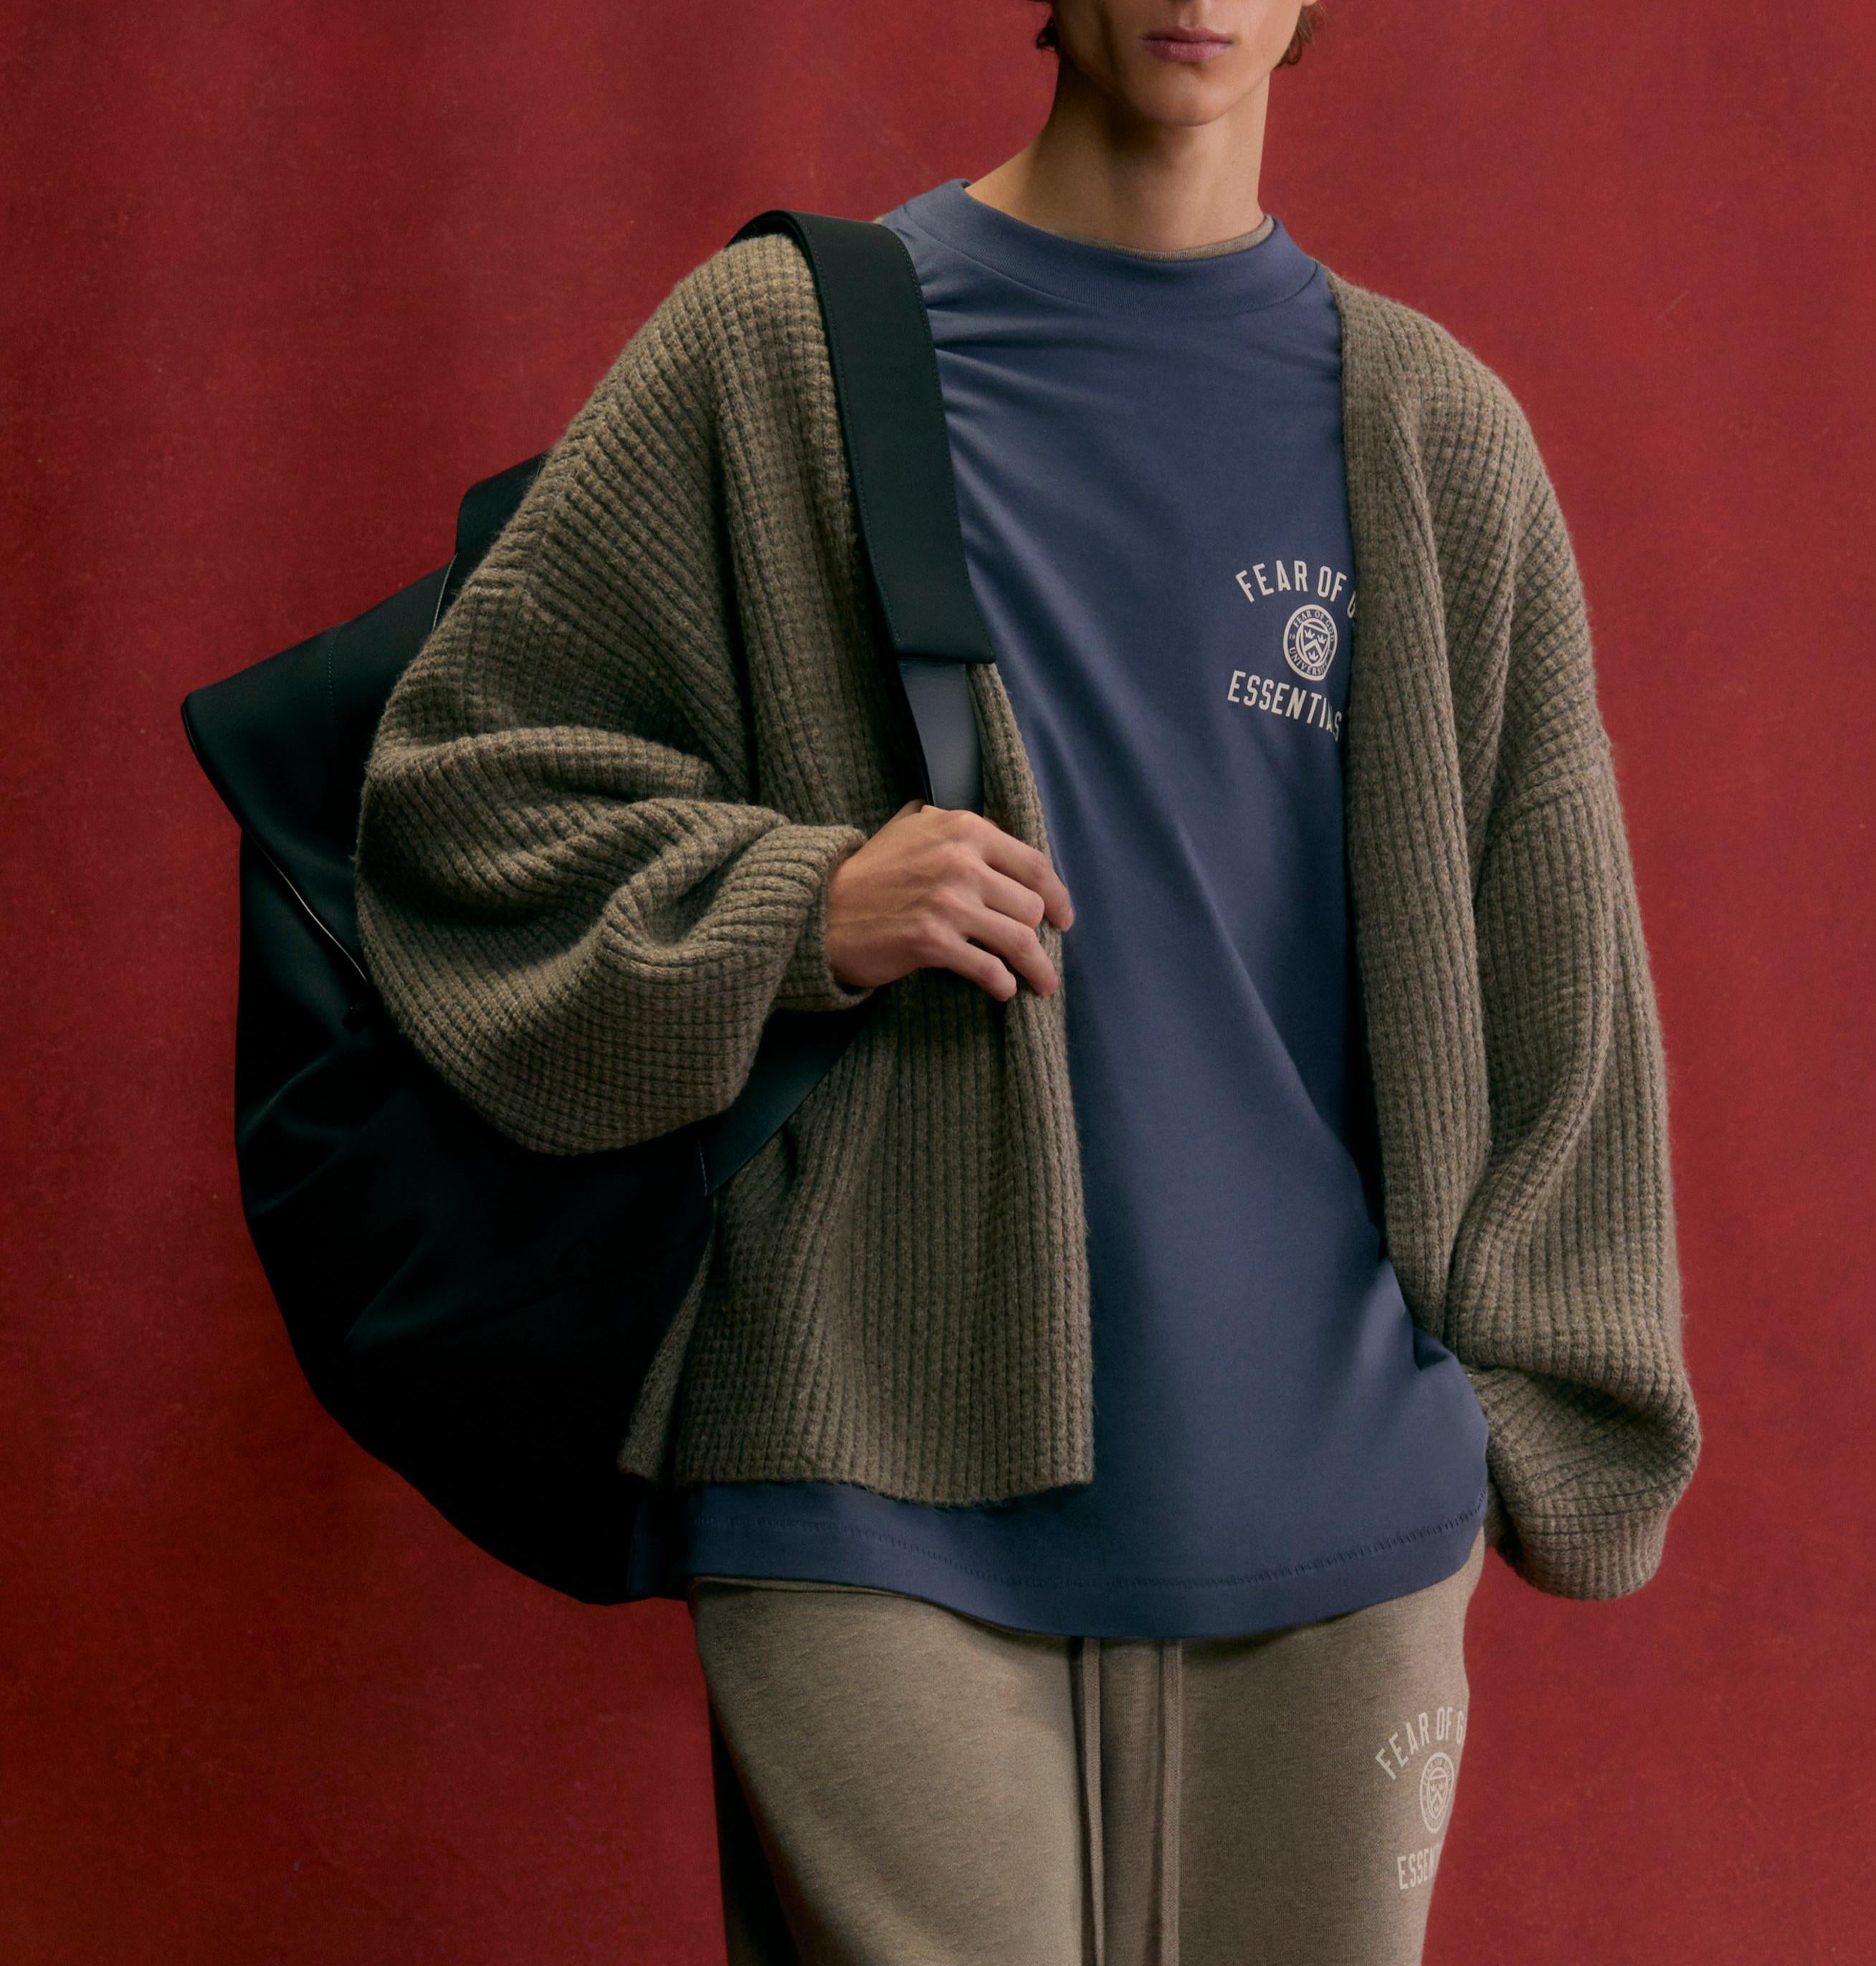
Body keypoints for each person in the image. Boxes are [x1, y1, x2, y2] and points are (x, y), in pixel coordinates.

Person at [351, 2, 1703, 1960]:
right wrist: (798, 906)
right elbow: (458, 793)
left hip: (1331, 1487)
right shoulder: (784, 349)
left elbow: (1562, 974)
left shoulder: (1434, 435)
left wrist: (1503, 1418)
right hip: (866, 1458)